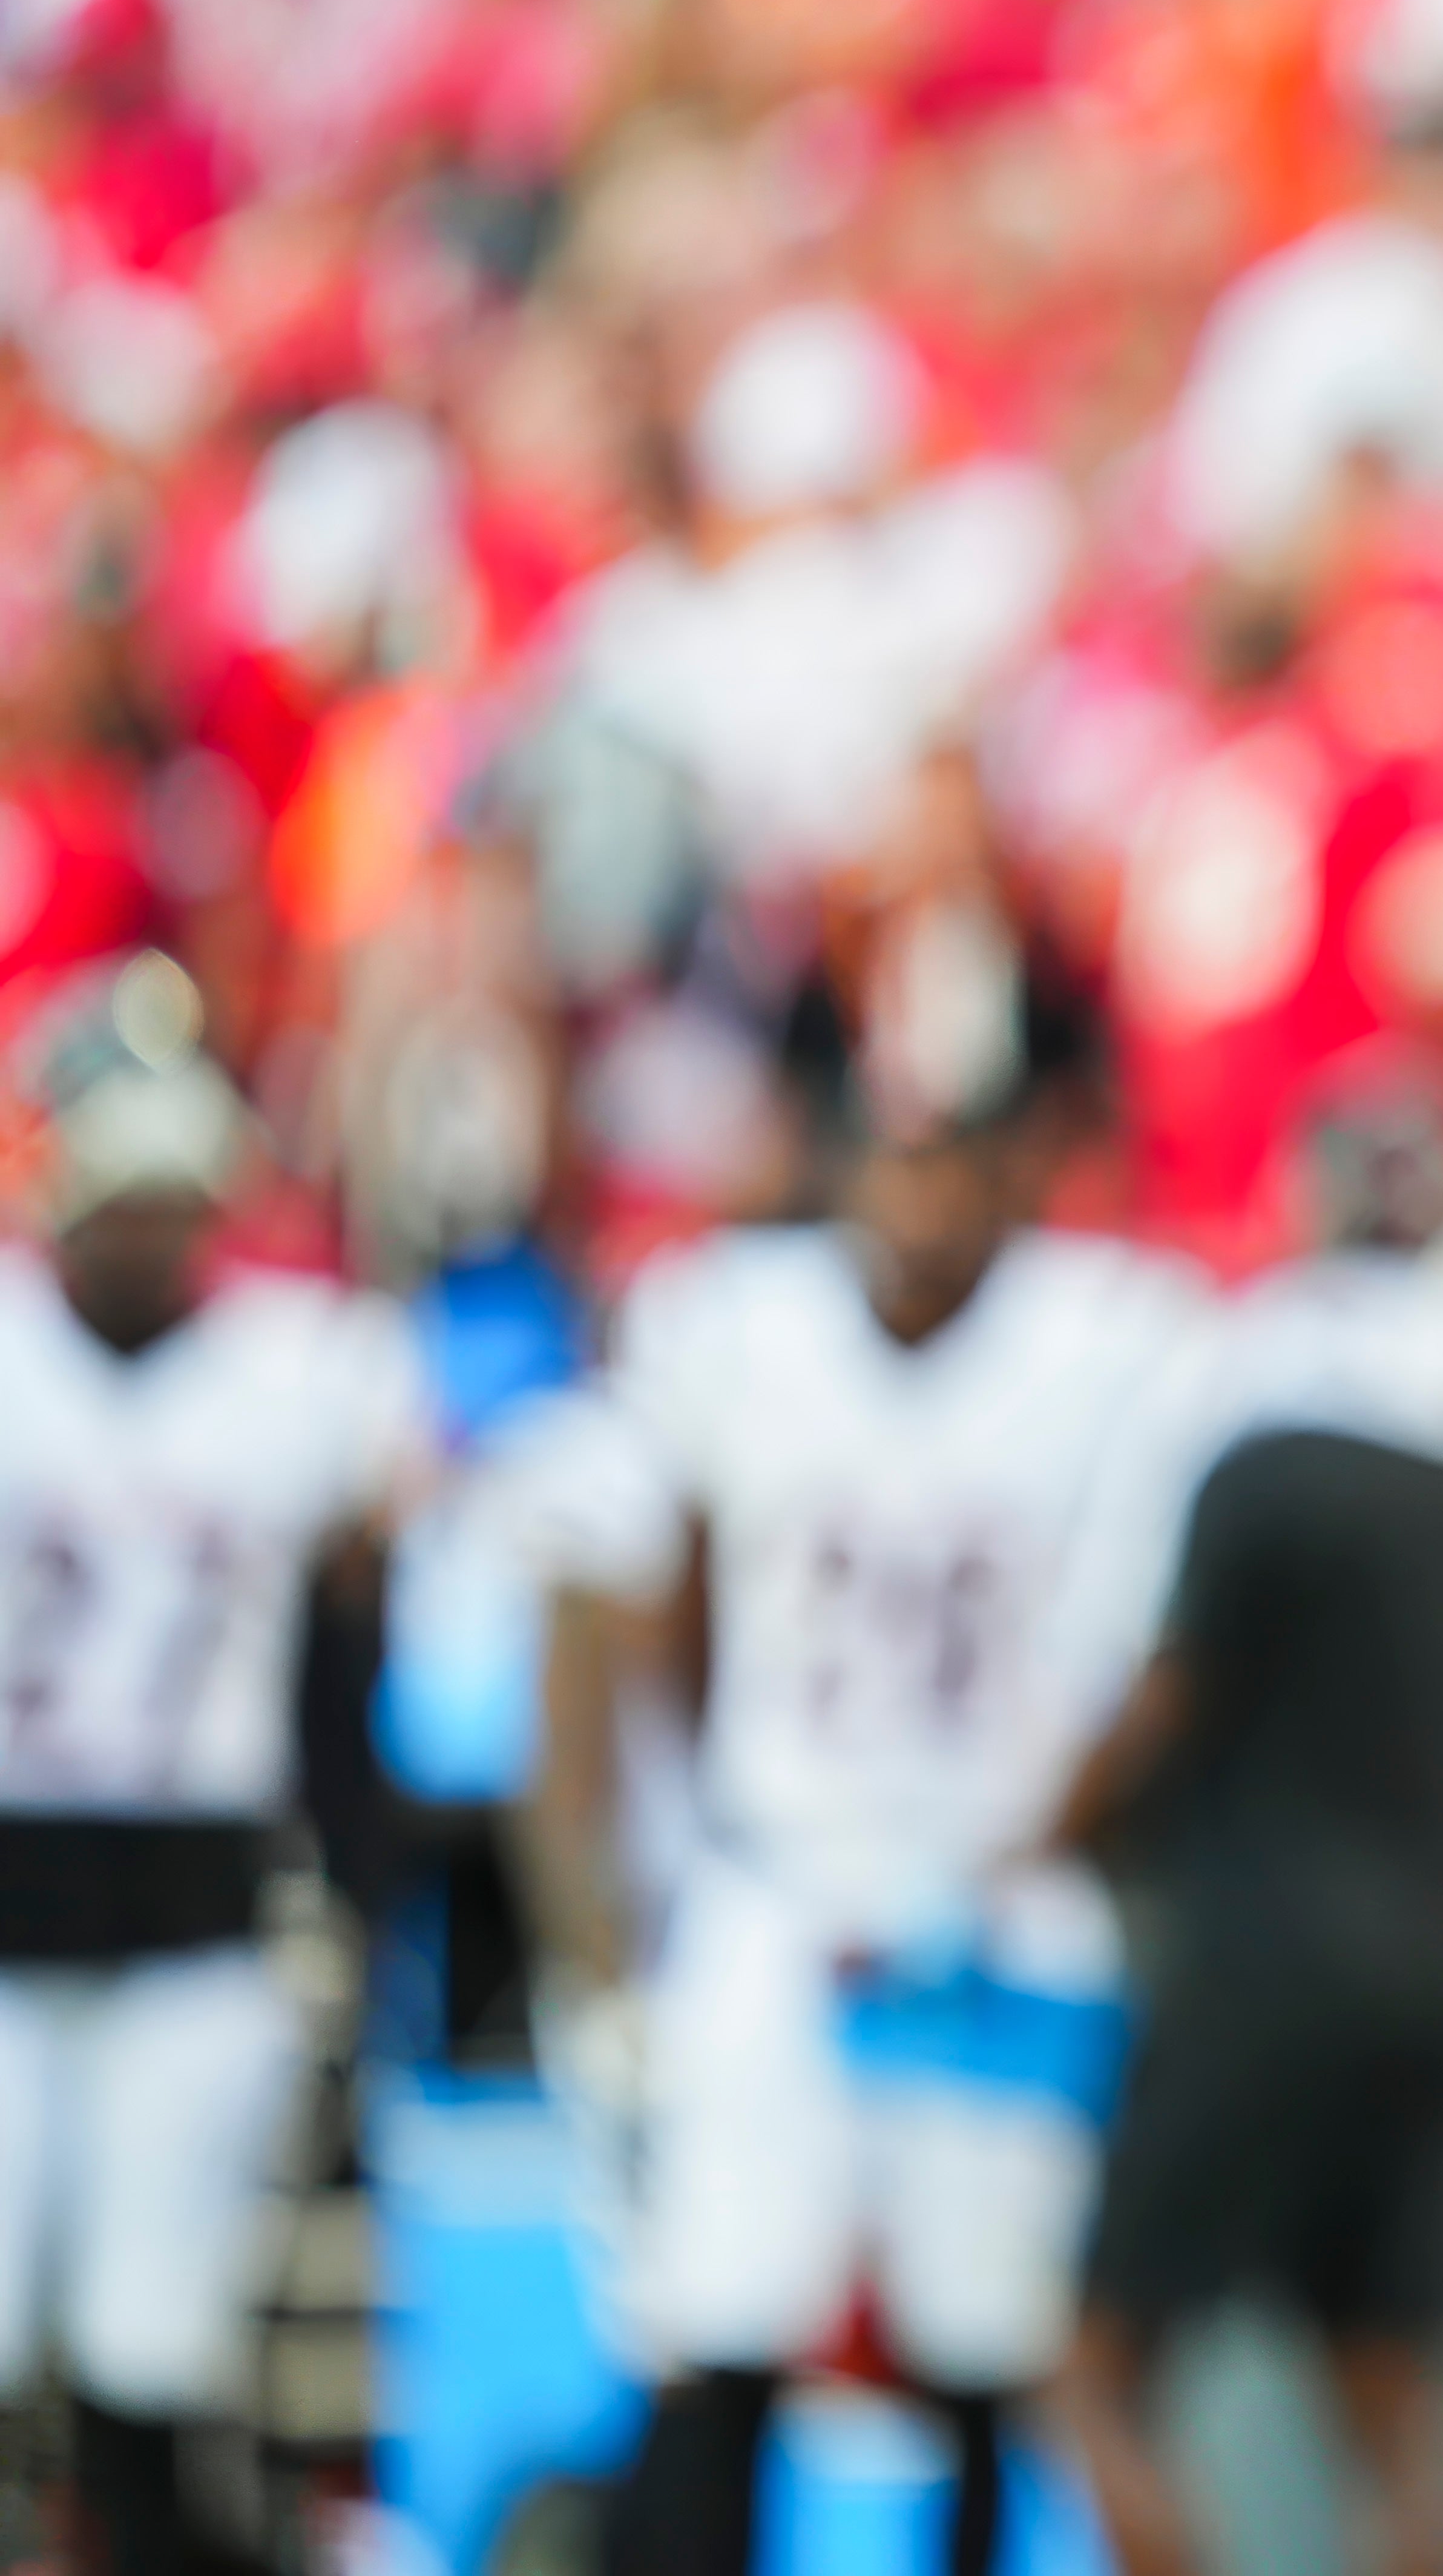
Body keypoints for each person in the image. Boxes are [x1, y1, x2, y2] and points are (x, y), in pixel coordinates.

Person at [526, 997, 1214, 2576]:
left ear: (1017, 1169)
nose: (914, 1201)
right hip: (784, 1874)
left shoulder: (1112, 1336)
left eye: (948, 1161)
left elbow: (1161, 1645)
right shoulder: (730, 1318)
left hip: (998, 1888)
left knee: (990, 2338)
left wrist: (1044, 1830)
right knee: (718, 2317)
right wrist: (646, 1878)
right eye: (890, 1159)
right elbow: (643, 1588)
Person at [1041, 1075, 1443, 2576]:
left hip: (1253, 1954)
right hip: (1420, 1961)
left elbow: (1167, 1693)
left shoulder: (1244, 1430)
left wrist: (1045, 1826)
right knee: (1385, 2408)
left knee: (1097, 2372)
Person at [0, 960, 426, 2576]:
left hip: (194, 1912)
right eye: (127, 1196)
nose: (153, 1234)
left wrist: (357, 1892)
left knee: (146, 2354)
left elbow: (346, 1668)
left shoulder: (300, 1375)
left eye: (178, 1200)